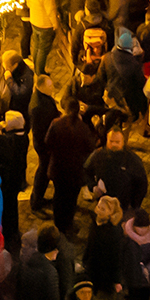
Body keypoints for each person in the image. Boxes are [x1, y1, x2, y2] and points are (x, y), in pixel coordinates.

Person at [45, 96, 96, 235]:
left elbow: (47, 142)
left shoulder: (56, 124)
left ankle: (58, 223)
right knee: (71, 199)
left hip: (58, 168)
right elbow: (91, 147)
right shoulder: (83, 128)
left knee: (59, 196)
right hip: (75, 171)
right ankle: (67, 224)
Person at [84, 127, 148, 212]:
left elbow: (142, 184)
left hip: (124, 206)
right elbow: (86, 171)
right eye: (111, 141)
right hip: (103, 205)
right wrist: (93, 186)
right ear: (106, 140)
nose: (114, 144)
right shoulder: (98, 155)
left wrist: (134, 206)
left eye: (117, 142)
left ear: (123, 142)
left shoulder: (132, 160)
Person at [30, 74, 60, 212]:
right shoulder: (37, 107)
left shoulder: (43, 98)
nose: (52, 88)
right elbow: (38, 132)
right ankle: (36, 202)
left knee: (44, 171)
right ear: (40, 87)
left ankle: (39, 198)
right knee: (43, 173)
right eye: (49, 86)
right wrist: (47, 147)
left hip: (47, 144)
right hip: (44, 146)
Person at [25, 0, 61, 75]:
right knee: (43, 49)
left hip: (34, 20)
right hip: (45, 24)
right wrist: (55, 24)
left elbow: (28, 3)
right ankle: (40, 72)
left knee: (36, 45)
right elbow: (50, 9)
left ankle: (36, 68)